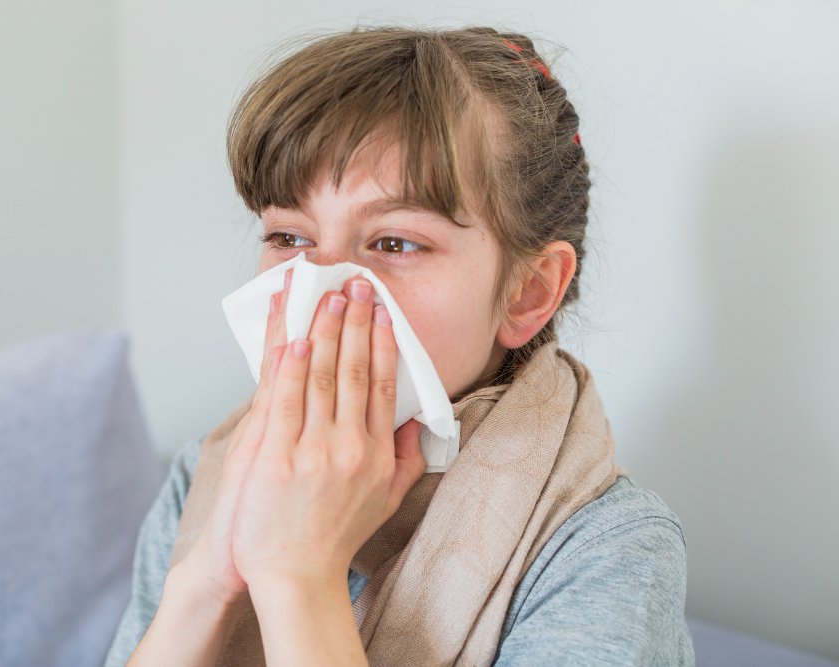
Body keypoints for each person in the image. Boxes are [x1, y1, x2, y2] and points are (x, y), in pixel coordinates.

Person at [105, 25, 693, 666]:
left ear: (527, 292)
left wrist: (297, 576)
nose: (324, 289)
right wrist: (203, 585)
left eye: (393, 243)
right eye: (289, 238)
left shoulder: (606, 547)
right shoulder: (208, 472)